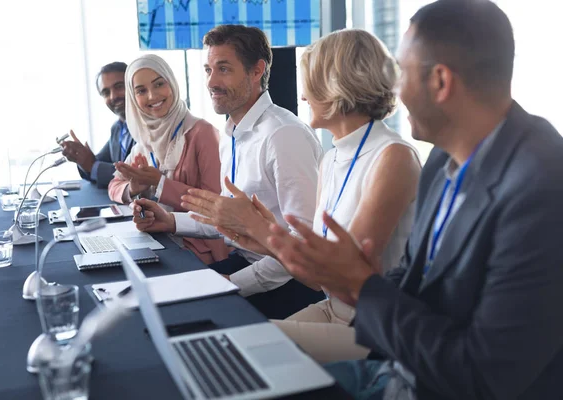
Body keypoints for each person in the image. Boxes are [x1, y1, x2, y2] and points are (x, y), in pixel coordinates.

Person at [259, 1, 563, 399]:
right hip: (402, 365)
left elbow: (483, 376)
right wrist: (356, 283)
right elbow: (413, 277)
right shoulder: (443, 158)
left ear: (440, 82)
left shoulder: (541, 189)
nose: (394, 90)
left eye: (401, 73)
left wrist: (362, 287)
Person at [180, 29, 421, 363]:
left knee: (238, 351)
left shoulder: (392, 157)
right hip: (332, 309)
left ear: (339, 84)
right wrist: (259, 237)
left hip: (373, 327)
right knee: (220, 343)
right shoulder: (332, 158)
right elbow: (312, 276)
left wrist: (264, 232)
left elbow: (347, 280)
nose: (304, 96)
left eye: (311, 82)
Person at [132, 25, 325, 319]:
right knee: (154, 299)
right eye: (208, 70)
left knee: (180, 316)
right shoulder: (233, 133)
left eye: (223, 69)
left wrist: (233, 284)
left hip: (290, 283)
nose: (211, 81)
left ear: (257, 71)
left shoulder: (283, 136)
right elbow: (225, 218)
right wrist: (170, 221)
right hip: (246, 265)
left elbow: (303, 245)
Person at [111, 54, 228, 265]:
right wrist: (133, 188)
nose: (152, 96)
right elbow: (114, 185)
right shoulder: (143, 140)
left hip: (199, 249)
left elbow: (214, 205)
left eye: (159, 84)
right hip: (159, 241)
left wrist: (160, 184)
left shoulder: (203, 133)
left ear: (171, 83)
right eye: (141, 91)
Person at [61, 62, 135, 188]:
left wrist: (91, 165)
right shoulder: (118, 128)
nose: (113, 96)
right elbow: (99, 162)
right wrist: (81, 157)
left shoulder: (150, 126)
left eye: (119, 87)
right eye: (106, 92)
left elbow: (134, 175)